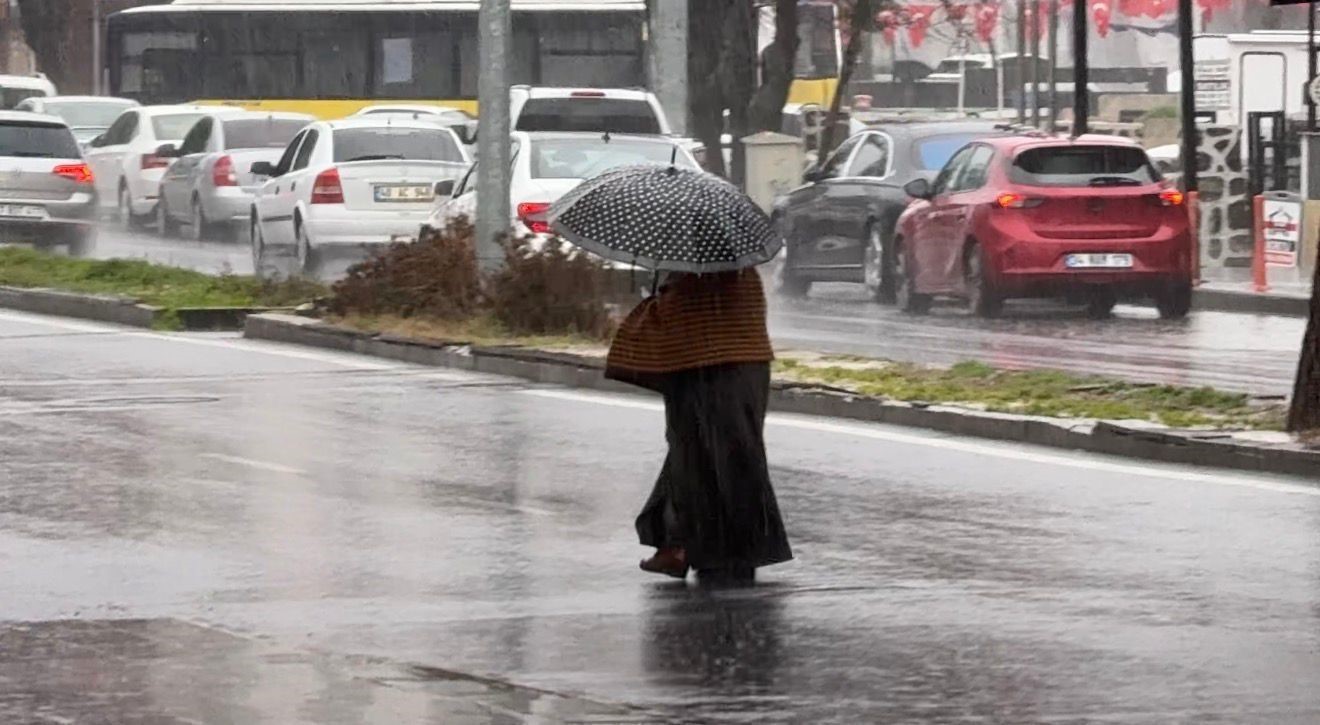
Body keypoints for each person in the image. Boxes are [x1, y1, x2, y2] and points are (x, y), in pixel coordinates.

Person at [606, 268, 793, 583]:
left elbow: (676, 320)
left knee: (698, 456)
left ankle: (709, 549)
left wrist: (656, 298)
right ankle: (681, 544)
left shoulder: (690, 275)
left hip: (703, 370)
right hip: (747, 369)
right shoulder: (743, 270)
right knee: (718, 455)